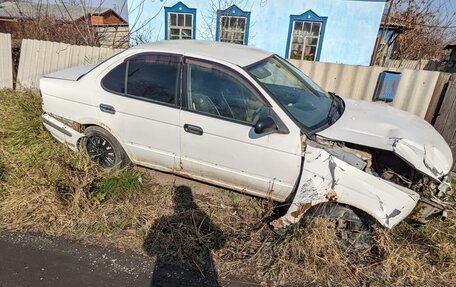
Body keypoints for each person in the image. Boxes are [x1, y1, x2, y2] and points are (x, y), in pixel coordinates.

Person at [144, 185, 225, 287]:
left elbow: (148, 249)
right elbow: (219, 243)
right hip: (197, 276)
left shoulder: (163, 222)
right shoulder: (201, 219)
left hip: (167, 277)